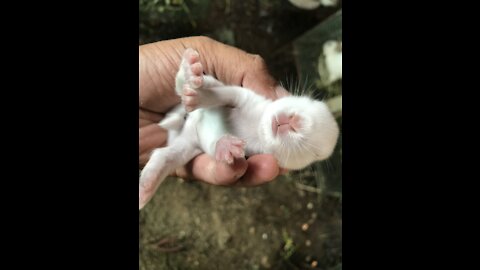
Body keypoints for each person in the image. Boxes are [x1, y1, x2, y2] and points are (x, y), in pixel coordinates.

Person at [139, 36, 289, 186]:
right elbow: (234, 96)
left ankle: (189, 83)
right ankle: (187, 80)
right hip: (207, 111)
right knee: (207, 93)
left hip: (203, 135)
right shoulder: (264, 108)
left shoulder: (272, 146)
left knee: (182, 152)